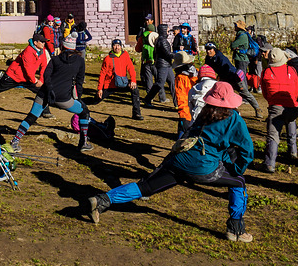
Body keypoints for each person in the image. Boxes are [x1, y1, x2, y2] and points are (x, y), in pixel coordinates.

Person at [86, 81, 255, 242]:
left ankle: (102, 200)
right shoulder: (234, 119)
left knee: (145, 187)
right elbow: (247, 151)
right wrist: (237, 169)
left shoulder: (205, 112)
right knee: (238, 182)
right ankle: (235, 230)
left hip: (179, 160)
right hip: (203, 168)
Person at [11, 33, 92, 152]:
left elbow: (46, 75)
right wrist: (78, 98)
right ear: (74, 47)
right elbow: (79, 82)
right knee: (84, 112)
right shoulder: (79, 61)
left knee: (32, 116)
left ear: (63, 46)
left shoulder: (55, 59)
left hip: (45, 94)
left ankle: (15, 141)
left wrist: (49, 89)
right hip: (64, 98)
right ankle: (83, 142)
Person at [0, 33, 54, 118]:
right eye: (42, 42)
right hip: (13, 76)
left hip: (27, 79)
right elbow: (28, 69)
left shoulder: (42, 51)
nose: (44, 43)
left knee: (43, 91)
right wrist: (34, 81)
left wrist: (41, 79)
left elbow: (44, 66)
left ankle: (45, 111)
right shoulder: (28, 51)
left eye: (44, 42)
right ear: (35, 42)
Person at [259, 48, 298, 173]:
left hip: (276, 106)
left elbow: (265, 93)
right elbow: (296, 89)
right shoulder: (292, 70)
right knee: (290, 120)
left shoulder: (266, 72)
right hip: (293, 106)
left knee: (273, 135)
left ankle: (270, 163)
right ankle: (293, 151)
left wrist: (272, 102)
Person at [205, 42, 262, 119]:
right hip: (224, 78)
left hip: (234, 76)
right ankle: (229, 111)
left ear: (214, 49)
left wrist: (223, 79)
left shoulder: (221, 58)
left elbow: (227, 69)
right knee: (223, 94)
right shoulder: (208, 59)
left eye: (210, 49)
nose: (208, 51)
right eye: (207, 50)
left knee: (244, 93)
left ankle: (257, 109)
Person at [93, 39, 142, 120]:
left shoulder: (125, 55)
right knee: (96, 100)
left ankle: (136, 113)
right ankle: (80, 104)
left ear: (121, 47)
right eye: (115, 45)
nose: (117, 47)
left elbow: (131, 68)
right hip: (110, 85)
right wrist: (100, 89)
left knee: (135, 90)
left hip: (123, 83)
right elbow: (102, 74)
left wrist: (133, 80)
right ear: (112, 47)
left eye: (118, 45)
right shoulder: (108, 59)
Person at [142, 24, 175, 108]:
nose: (168, 33)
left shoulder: (160, 40)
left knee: (172, 83)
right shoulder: (162, 41)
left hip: (166, 64)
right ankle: (147, 99)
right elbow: (168, 54)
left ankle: (177, 102)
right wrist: (178, 55)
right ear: (164, 31)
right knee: (160, 83)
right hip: (163, 65)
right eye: (167, 31)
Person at [172, 53, 199, 136]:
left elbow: (181, 98)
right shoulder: (197, 73)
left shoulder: (182, 77)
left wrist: (183, 116)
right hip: (197, 109)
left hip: (190, 110)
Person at [138, 15, 160, 100]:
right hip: (154, 60)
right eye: (146, 20)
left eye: (148, 20)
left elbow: (138, 46)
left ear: (152, 21)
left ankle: (150, 97)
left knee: (149, 79)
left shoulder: (143, 34)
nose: (146, 22)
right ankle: (162, 97)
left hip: (146, 59)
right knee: (158, 79)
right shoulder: (157, 35)